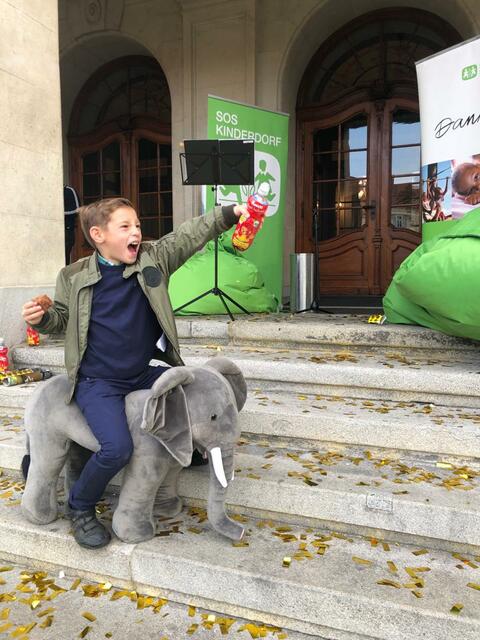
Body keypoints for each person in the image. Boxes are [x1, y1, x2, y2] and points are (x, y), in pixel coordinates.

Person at [21, 197, 245, 550]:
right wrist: (44, 318)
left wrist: (228, 214)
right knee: (117, 449)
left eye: (137, 225)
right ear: (98, 235)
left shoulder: (153, 259)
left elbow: (188, 236)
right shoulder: (73, 275)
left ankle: (196, 451)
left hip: (143, 371)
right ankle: (80, 506)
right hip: (98, 381)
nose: (136, 232)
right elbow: (61, 320)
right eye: (125, 226)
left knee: (188, 400)